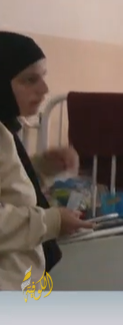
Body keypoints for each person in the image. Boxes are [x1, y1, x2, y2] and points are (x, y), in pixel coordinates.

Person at [0, 31, 92, 290]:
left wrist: (38, 169)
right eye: (30, 80)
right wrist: (52, 222)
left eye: (43, 77)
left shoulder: (6, 129)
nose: (44, 90)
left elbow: (7, 190)